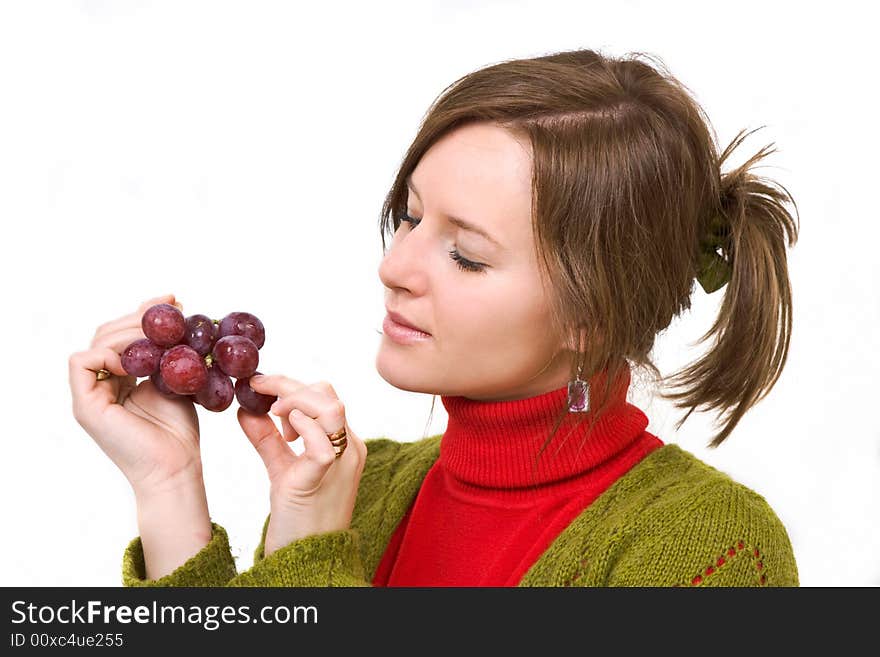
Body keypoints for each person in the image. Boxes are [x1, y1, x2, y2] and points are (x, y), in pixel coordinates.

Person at [68, 48, 800, 587]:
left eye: (467, 255)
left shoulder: (714, 553)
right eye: (411, 217)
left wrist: (310, 562)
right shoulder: (363, 488)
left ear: (594, 315)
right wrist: (168, 489)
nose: (394, 268)